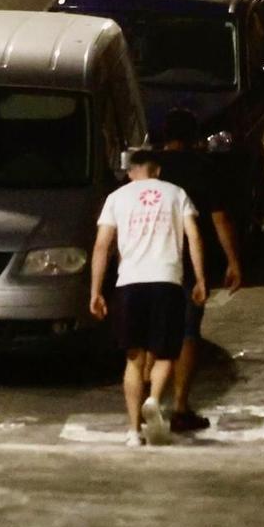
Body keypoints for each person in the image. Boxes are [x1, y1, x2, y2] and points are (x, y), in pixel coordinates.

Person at [90, 147, 208, 447]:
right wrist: (200, 278)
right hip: (166, 280)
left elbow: (102, 245)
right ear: (157, 170)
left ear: (130, 172)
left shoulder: (116, 198)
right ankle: (154, 398)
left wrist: (95, 290)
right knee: (166, 353)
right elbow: (193, 235)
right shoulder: (175, 193)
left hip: (129, 284)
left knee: (133, 358)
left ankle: (133, 431)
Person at [153, 109, 245, 434]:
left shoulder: (147, 168)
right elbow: (220, 220)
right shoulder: (204, 169)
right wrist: (234, 261)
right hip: (189, 264)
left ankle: (148, 402)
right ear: (194, 139)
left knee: (153, 334)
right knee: (188, 334)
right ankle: (179, 405)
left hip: (149, 261)